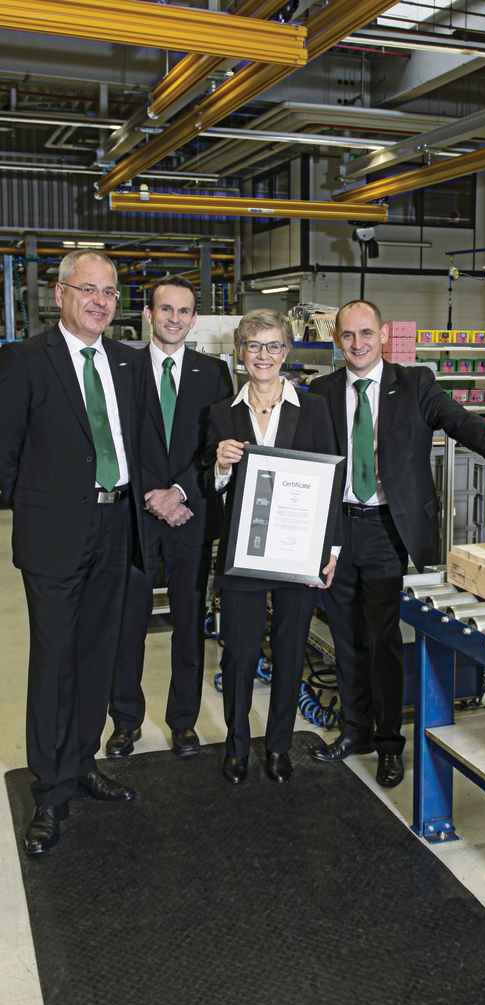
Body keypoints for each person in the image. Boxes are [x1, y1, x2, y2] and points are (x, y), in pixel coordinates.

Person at [308, 300, 485, 787]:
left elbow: (456, 419)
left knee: (383, 641)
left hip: (388, 529)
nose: (357, 344)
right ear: (336, 339)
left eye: (366, 333)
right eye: (347, 335)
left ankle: (388, 744)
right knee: (345, 638)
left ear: (383, 335)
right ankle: (354, 730)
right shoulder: (320, 392)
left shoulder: (415, 383)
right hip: (336, 530)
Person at [0, 250, 147, 855]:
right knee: (54, 662)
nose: (99, 301)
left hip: (116, 525)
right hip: (56, 533)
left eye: (109, 293)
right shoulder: (23, 360)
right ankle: (51, 788)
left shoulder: (124, 362)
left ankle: (82, 762)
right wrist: (44, 507)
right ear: (59, 294)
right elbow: (3, 455)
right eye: (87, 289)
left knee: (96, 656)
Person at [205, 309, 340, 785]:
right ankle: (237, 746)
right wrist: (220, 467)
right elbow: (211, 488)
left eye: (274, 346)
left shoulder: (314, 409)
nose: (264, 356)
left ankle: (279, 746)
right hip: (244, 553)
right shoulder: (223, 413)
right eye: (254, 346)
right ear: (241, 353)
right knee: (238, 655)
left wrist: (332, 549)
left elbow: (330, 482)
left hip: (296, 552)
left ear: (287, 353)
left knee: (288, 651)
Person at [106, 275, 233, 760]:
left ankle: (183, 721)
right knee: (128, 622)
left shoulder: (214, 373)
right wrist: (150, 497)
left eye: (183, 311)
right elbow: (118, 442)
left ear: (194, 318)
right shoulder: (123, 367)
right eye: (165, 310)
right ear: (148, 314)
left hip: (192, 512)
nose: (174, 319)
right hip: (135, 517)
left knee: (188, 621)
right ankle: (125, 721)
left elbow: (214, 447)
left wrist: (178, 491)